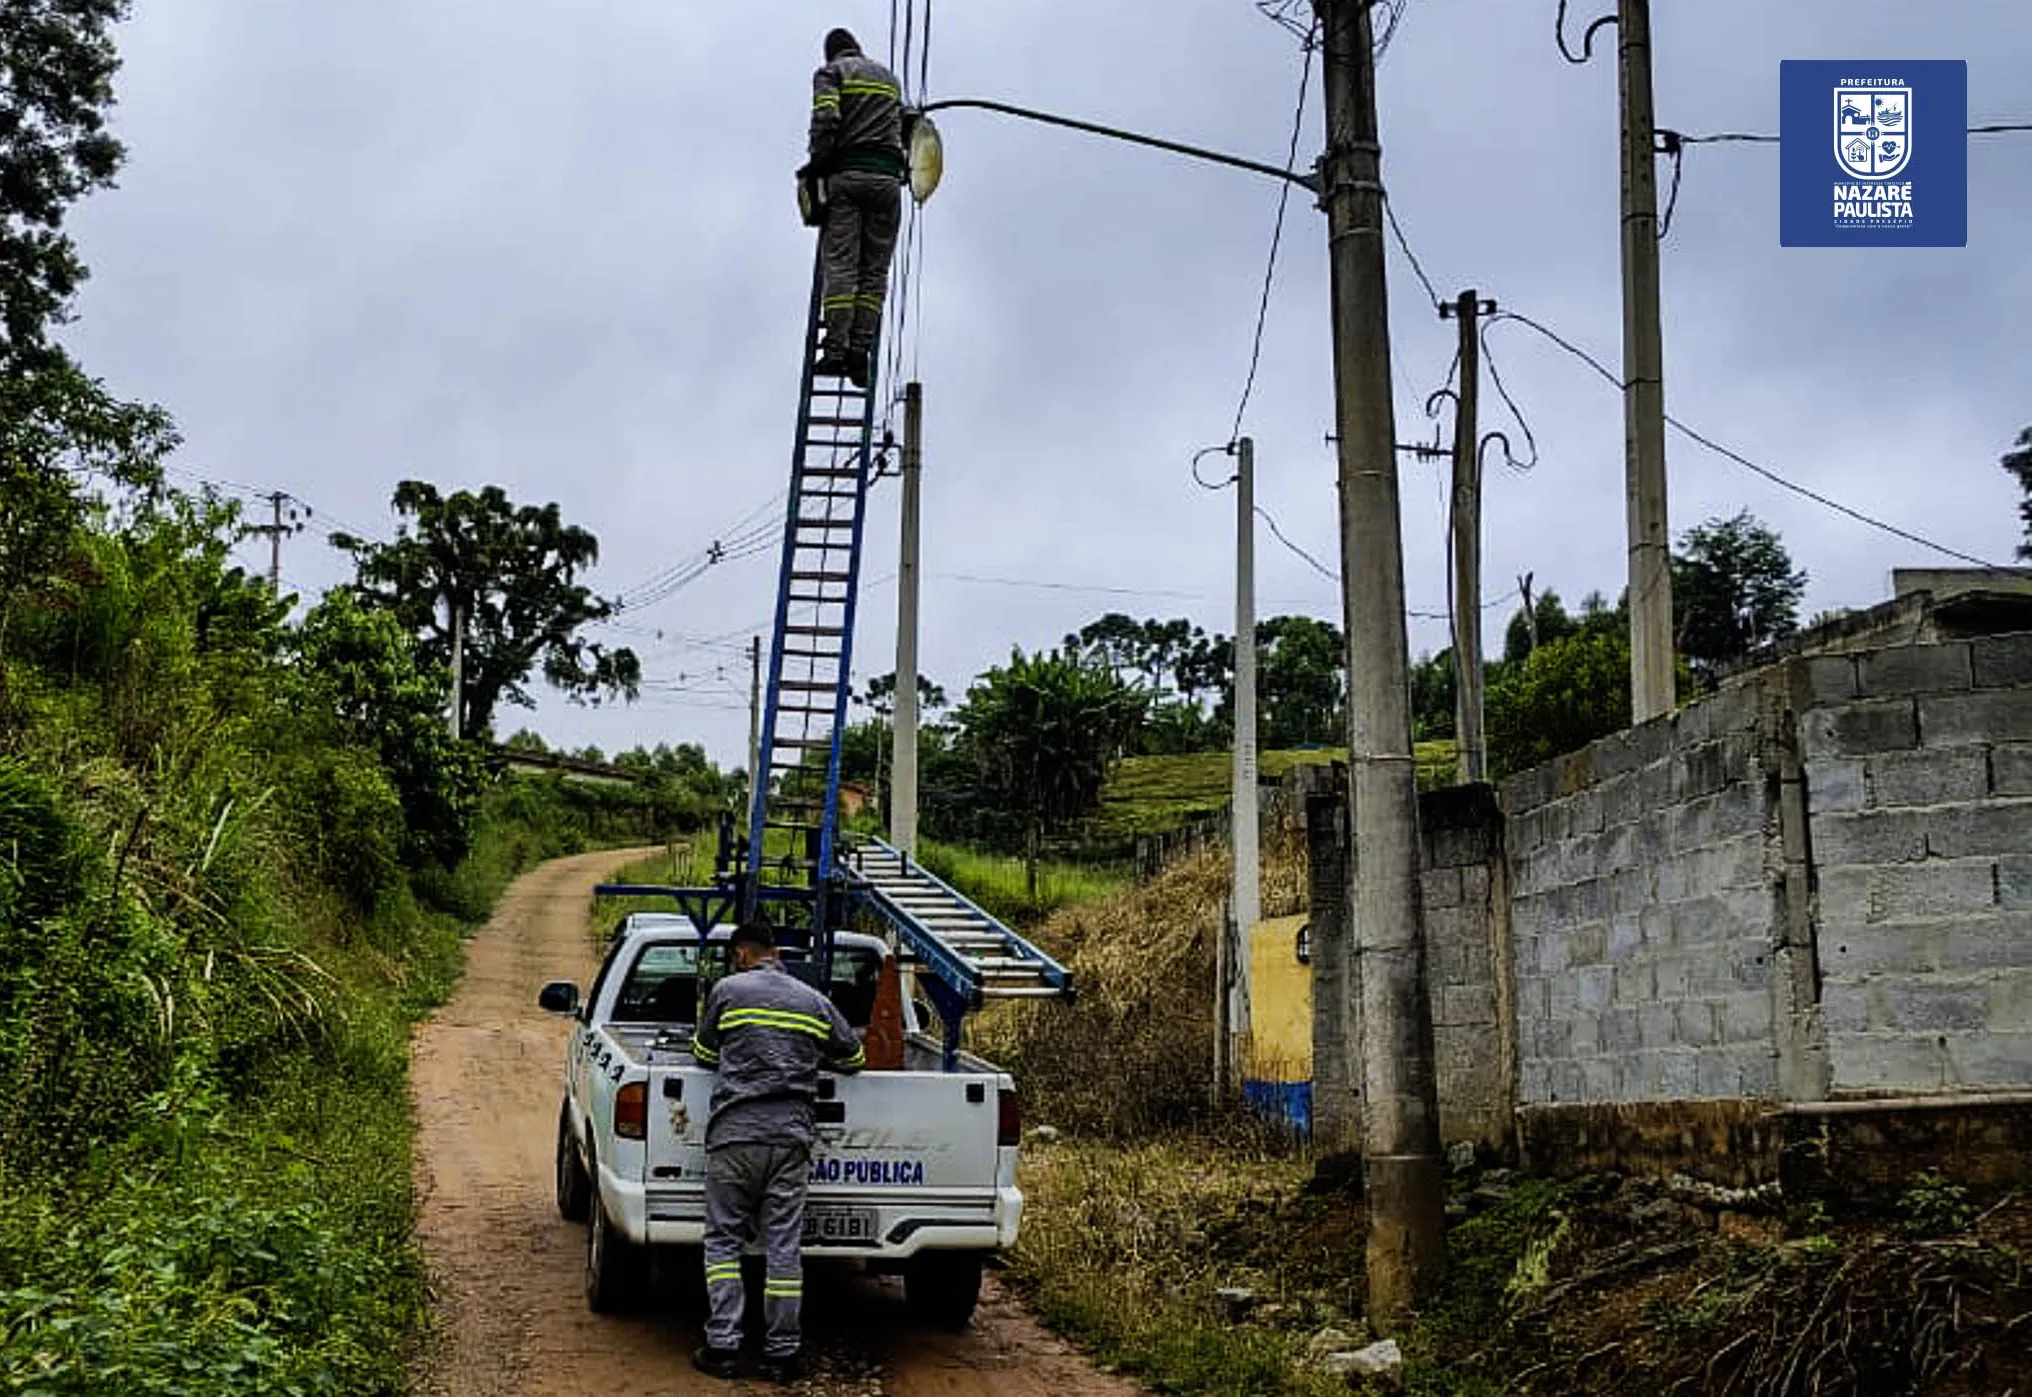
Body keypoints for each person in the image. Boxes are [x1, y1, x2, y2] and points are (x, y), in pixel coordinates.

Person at [690, 920, 865, 1383]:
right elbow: (854, 1058)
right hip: (791, 1139)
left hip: (735, 1136)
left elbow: (704, 1054)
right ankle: (782, 1354)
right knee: (783, 1245)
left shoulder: (727, 991)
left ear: (743, 955)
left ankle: (722, 1347)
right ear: (775, 951)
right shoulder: (813, 1001)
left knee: (724, 1241)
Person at [804, 27, 907, 389]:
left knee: (842, 266)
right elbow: (907, 127)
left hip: (847, 179)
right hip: (888, 183)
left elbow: (827, 118)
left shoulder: (831, 73)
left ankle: (835, 352)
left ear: (830, 53)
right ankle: (859, 354)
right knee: (874, 271)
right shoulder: (890, 79)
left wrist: (818, 161)